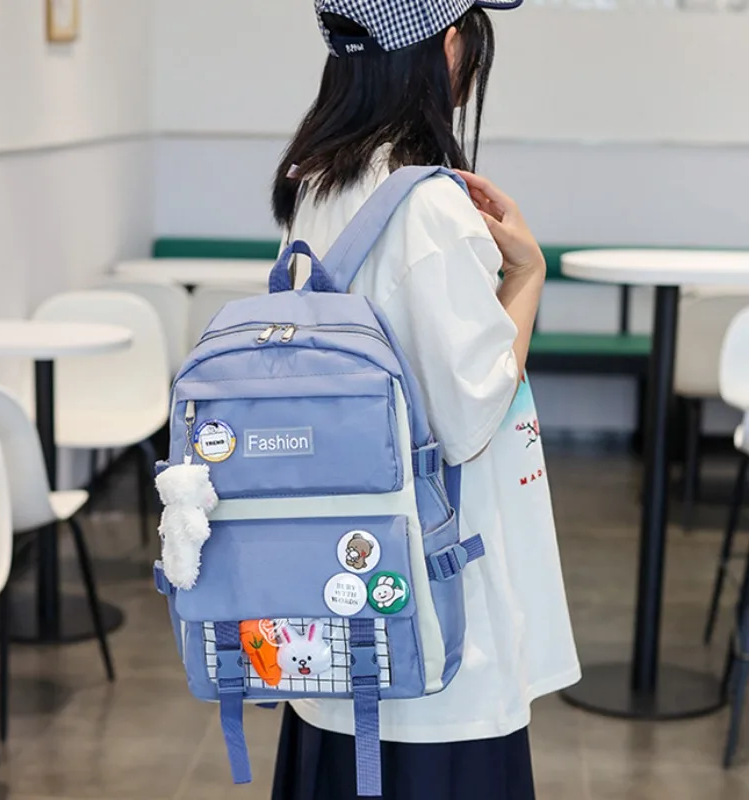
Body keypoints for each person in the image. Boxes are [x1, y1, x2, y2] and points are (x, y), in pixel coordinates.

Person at [270, 2, 581, 798]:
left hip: (339, 595)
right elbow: (471, 417)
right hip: (434, 626)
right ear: (445, 53)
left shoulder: (320, 184)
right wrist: (527, 277)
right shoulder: (426, 208)